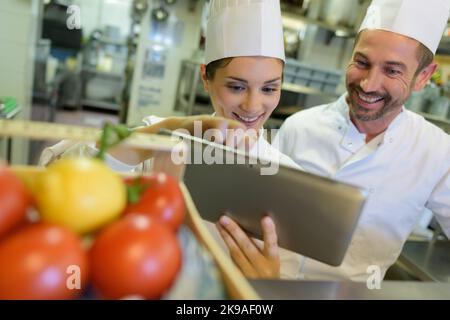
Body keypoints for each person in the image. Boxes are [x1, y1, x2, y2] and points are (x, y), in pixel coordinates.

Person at [39, 0, 302, 279]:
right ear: (205, 78)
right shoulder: (158, 140)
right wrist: (171, 129)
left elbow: (290, 274)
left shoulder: (289, 176)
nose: (253, 105)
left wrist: (269, 283)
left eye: (269, 88)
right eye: (236, 87)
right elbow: (65, 176)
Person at [222, 0, 450, 282]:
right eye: (362, 62)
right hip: (272, 288)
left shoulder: (437, 152)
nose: (368, 84)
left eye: (392, 71)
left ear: (423, 77)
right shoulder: (299, 127)